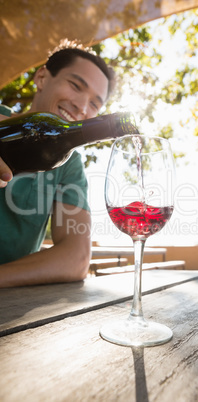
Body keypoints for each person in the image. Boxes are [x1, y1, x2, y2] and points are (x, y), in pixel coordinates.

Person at [0, 39, 116, 287]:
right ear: (42, 78)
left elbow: (76, 258)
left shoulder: (69, 164)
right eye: (75, 85)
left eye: (95, 103)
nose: (82, 107)